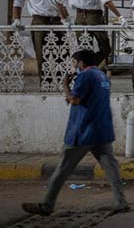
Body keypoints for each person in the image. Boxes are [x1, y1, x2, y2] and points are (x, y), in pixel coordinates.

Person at [21, 50, 128, 216]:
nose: (73, 66)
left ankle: (47, 205)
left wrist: (65, 85)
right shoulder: (102, 76)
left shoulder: (84, 76)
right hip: (102, 129)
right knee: (110, 168)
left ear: (81, 63)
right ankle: (120, 201)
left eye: (74, 62)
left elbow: (74, 100)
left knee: (63, 168)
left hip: (84, 130)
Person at [54, 0, 128, 69]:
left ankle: (84, 70)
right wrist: (120, 16)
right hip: (94, 16)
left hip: (78, 17)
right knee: (105, 47)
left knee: (84, 48)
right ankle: (93, 68)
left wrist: (66, 18)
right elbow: (105, 0)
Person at [12, 0, 62, 80]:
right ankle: (45, 82)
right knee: (41, 53)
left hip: (56, 20)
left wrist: (65, 18)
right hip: (39, 21)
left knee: (61, 51)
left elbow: (60, 2)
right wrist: (16, 20)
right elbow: (18, 4)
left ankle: (61, 81)